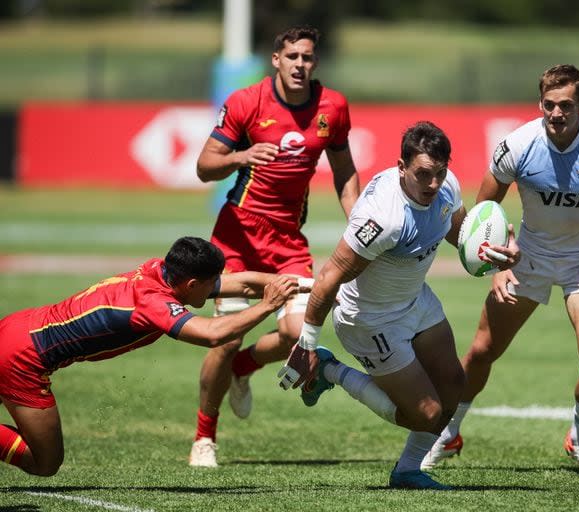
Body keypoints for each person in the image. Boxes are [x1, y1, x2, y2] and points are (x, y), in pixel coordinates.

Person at [421, 64, 579, 476]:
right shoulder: (517, 145)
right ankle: (449, 432)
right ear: (540, 104)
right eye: (549, 105)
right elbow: (485, 206)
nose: (556, 113)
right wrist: (494, 264)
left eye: (566, 105)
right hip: (528, 258)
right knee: (481, 351)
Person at [277, 121, 519, 490]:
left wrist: (492, 255)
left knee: (454, 385)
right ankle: (330, 371)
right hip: (370, 321)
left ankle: (407, 472)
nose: (433, 184)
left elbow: (457, 231)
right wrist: (307, 343)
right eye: (423, 174)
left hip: (415, 302)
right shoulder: (382, 218)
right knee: (427, 415)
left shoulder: (446, 188)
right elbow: (329, 278)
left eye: (440, 173)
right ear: (401, 167)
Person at [190, 25, 359, 467]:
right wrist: (239, 157)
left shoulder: (333, 107)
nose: (300, 64)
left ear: (314, 62)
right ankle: (204, 437)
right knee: (223, 341)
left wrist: (361, 225)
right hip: (236, 238)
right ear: (276, 60)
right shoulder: (247, 102)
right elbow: (205, 167)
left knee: (297, 334)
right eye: (293, 56)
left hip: (287, 241)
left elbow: (344, 172)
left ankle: (243, 370)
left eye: (308, 57)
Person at [0, 237, 304, 477]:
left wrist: (307, 287)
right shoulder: (154, 303)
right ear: (192, 285)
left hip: (16, 327)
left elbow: (244, 283)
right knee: (45, 462)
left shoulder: (160, 271)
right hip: (23, 360)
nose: (219, 289)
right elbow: (212, 333)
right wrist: (267, 306)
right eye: (213, 283)